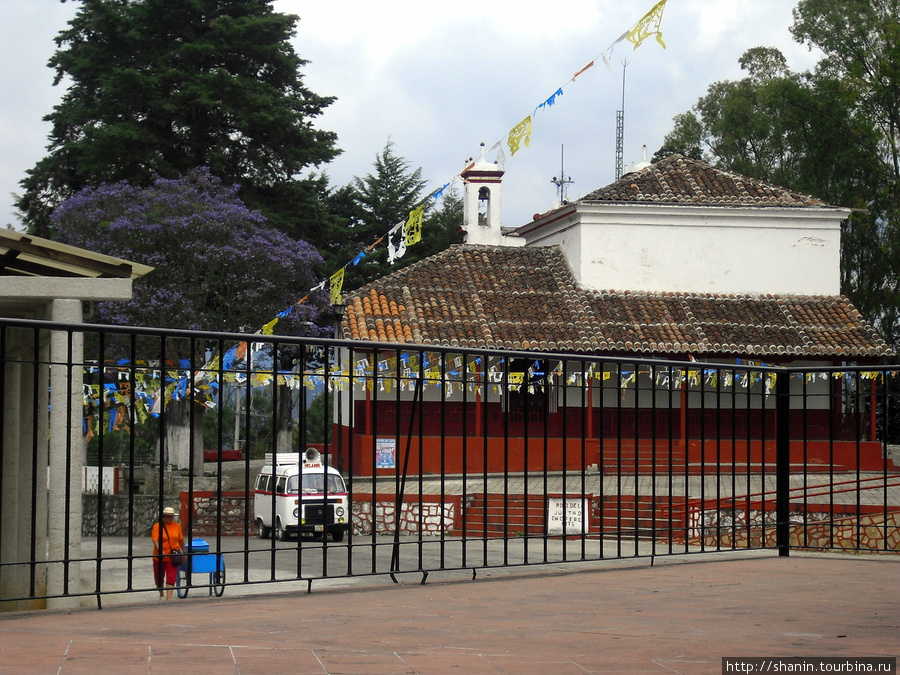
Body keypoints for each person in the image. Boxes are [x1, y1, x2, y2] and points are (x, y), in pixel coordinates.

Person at [151, 506, 185, 601]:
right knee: (159, 578)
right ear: (163, 517)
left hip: (173, 556)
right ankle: (161, 594)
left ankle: (168, 599)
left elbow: (181, 540)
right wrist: (160, 550)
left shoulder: (177, 526)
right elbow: (155, 540)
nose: (169, 518)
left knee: (171, 577)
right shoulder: (157, 526)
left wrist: (184, 552)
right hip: (160, 557)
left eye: (171, 517)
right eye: (167, 516)